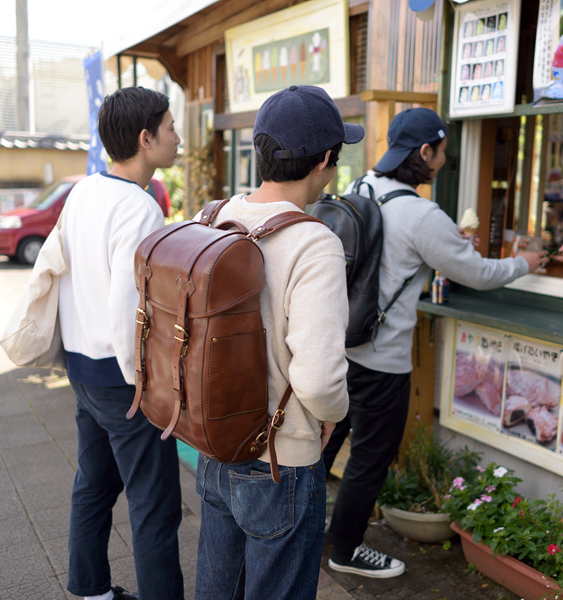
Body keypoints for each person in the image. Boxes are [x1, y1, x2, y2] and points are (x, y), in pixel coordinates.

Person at [322, 107, 546, 578]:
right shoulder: (423, 214)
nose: (444, 160)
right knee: (369, 461)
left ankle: (298, 534)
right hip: (382, 363)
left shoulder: (362, 188)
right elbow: (480, 273)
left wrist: (450, 241)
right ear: (425, 152)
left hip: (339, 348)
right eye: (442, 151)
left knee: (323, 448)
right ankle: (344, 551)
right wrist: (525, 262)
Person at [194, 85, 358, 600]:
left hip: (215, 444)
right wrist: (333, 413)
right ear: (326, 160)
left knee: (218, 589)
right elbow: (319, 378)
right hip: (279, 459)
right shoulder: (313, 242)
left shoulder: (212, 217)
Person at [58, 87, 183, 600]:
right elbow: (125, 307)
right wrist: (143, 386)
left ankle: (89, 589)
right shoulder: (140, 207)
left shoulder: (85, 191)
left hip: (83, 367)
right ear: (146, 138)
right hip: (122, 378)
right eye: (171, 128)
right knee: (155, 505)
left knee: (94, 483)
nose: (178, 137)